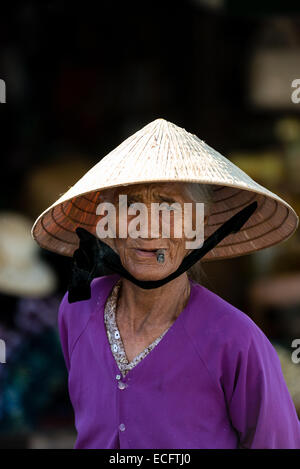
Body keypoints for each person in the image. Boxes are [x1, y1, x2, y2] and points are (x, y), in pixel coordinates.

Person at [31, 118, 300, 449]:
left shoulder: (236, 340)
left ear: (199, 227)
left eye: (169, 206)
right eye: (130, 206)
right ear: (109, 222)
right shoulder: (77, 310)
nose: (148, 228)